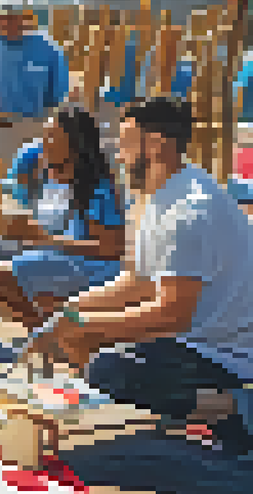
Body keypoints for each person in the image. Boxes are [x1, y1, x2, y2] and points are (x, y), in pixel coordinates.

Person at [35, 98, 253, 456]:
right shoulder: (160, 195)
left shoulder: (189, 209)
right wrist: (70, 311)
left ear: (156, 145)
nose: (118, 156)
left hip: (224, 355)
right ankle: (177, 413)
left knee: (109, 368)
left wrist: (87, 327)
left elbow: (173, 314)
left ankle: (231, 408)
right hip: (194, 339)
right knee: (93, 349)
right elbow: (136, 283)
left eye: (125, 143)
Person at [0, 107, 125, 327]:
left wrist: (45, 240)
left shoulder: (98, 188)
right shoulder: (64, 179)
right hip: (77, 263)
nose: (44, 144)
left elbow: (110, 249)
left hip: (96, 269)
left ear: (73, 145)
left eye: (51, 136)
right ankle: (52, 334)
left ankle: (47, 336)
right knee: (27, 293)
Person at [0, 0, 69, 236]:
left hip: (35, 125)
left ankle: (38, 231)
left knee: (35, 183)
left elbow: (57, 94)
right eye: (1, 18)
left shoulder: (47, 47)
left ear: (24, 19)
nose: (5, 24)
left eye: (11, 18)